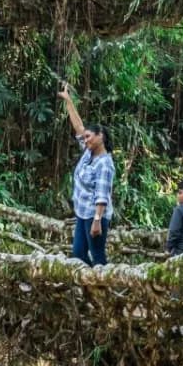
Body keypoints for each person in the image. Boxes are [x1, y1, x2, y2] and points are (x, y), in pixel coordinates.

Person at [58, 83, 115, 266]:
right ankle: (92, 289)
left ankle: (105, 289)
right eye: (86, 137)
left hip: (94, 215)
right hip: (82, 213)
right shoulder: (88, 152)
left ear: (101, 137)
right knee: (78, 255)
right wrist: (68, 101)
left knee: (97, 257)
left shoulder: (105, 163)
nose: (86, 139)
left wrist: (97, 221)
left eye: (89, 136)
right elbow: (78, 126)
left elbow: (102, 194)